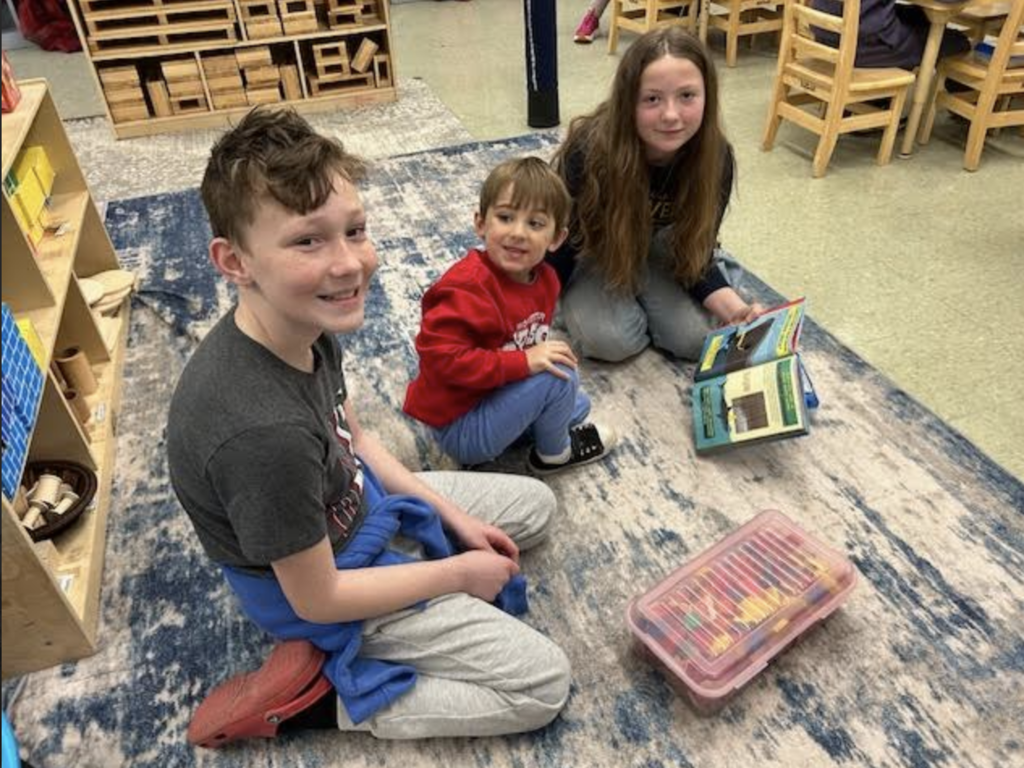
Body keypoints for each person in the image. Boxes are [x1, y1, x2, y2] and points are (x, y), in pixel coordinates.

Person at [166, 107, 571, 746]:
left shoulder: (302, 324)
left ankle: (430, 552)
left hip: (353, 505)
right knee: (541, 685)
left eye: (354, 230)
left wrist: (451, 518)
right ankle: (314, 704)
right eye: (308, 240)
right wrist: (457, 574)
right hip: (321, 583)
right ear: (234, 262)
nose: (350, 263)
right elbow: (318, 598)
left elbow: (359, 439)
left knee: (535, 507)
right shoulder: (261, 435)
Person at [549, 26, 762, 364]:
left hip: (668, 250)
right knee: (611, 341)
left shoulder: (715, 158)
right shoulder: (588, 151)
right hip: (598, 248)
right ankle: (619, 297)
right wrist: (528, 310)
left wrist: (736, 310)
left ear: (708, 96)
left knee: (697, 342)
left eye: (687, 96)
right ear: (627, 101)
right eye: (652, 99)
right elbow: (561, 243)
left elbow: (695, 252)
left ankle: (657, 288)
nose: (671, 115)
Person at [403, 157, 618, 475]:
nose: (518, 233)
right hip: (461, 424)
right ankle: (553, 456)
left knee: (575, 402)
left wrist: (525, 365)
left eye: (535, 224)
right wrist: (524, 363)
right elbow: (441, 361)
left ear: (556, 238)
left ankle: (522, 431)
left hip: (492, 392)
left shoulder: (546, 279)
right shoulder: (465, 288)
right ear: (480, 223)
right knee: (559, 376)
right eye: (505, 217)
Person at [813, 0, 970, 69]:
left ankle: (877, 101)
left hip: (824, 34)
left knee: (919, 16)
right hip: (859, 45)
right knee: (957, 42)